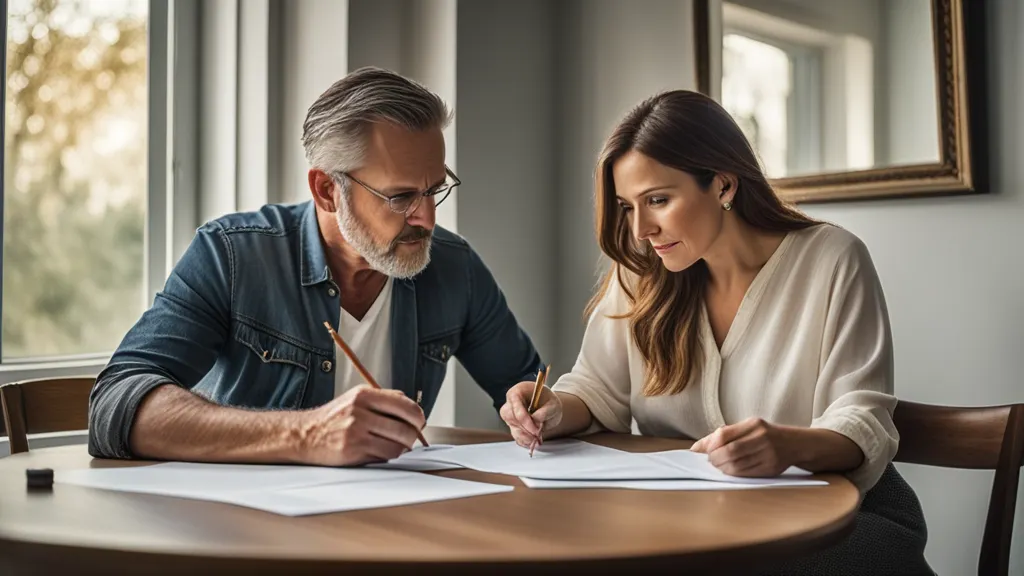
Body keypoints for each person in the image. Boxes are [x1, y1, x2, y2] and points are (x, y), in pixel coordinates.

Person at [500, 90, 933, 575]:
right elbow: (597, 389)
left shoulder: (833, 259)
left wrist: (787, 446)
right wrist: (553, 409)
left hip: (840, 521)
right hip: (696, 521)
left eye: (658, 200)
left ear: (724, 185)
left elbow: (862, 417)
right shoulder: (641, 273)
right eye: (627, 206)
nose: (641, 228)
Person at [89, 66, 544, 467]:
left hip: (396, 531)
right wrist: (305, 434)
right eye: (402, 196)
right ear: (327, 190)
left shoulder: (452, 266)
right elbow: (114, 405)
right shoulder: (232, 255)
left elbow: (529, 387)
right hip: (247, 535)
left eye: (435, 190)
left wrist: (538, 408)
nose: (427, 219)